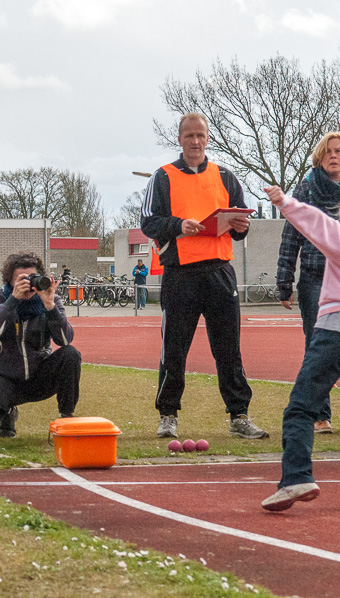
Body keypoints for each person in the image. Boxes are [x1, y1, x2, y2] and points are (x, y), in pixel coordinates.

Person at [140, 113, 268, 440]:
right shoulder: (163, 177)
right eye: (189, 136)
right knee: (174, 349)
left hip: (220, 273)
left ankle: (239, 415)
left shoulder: (226, 176)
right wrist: (177, 225)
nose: (195, 142)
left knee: (228, 349)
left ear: (207, 138)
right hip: (180, 275)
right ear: (179, 139)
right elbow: (148, 223)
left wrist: (242, 226)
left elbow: (240, 223)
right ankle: (168, 415)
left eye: (200, 135)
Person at [261, 184, 340, 510]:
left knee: (302, 408)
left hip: (333, 332)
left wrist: (285, 202)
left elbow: (316, 223)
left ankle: (296, 478)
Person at [0, 252, 81, 438]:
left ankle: (67, 417)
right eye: (21, 279)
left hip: (39, 375)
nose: (28, 284)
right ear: (10, 281)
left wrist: (50, 307)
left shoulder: (50, 300)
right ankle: (8, 414)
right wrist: (12, 302)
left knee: (71, 354)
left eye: (32, 278)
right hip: (6, 376)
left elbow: (64, 340)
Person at [276, 132, 340, 435]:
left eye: (338, 151)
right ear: (319, 155)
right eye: (328, 152)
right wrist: (284, 279)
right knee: (318, 347)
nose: (334, 156)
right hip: (315, 277)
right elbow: (291, 237)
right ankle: (320, 414)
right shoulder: (306, 189)